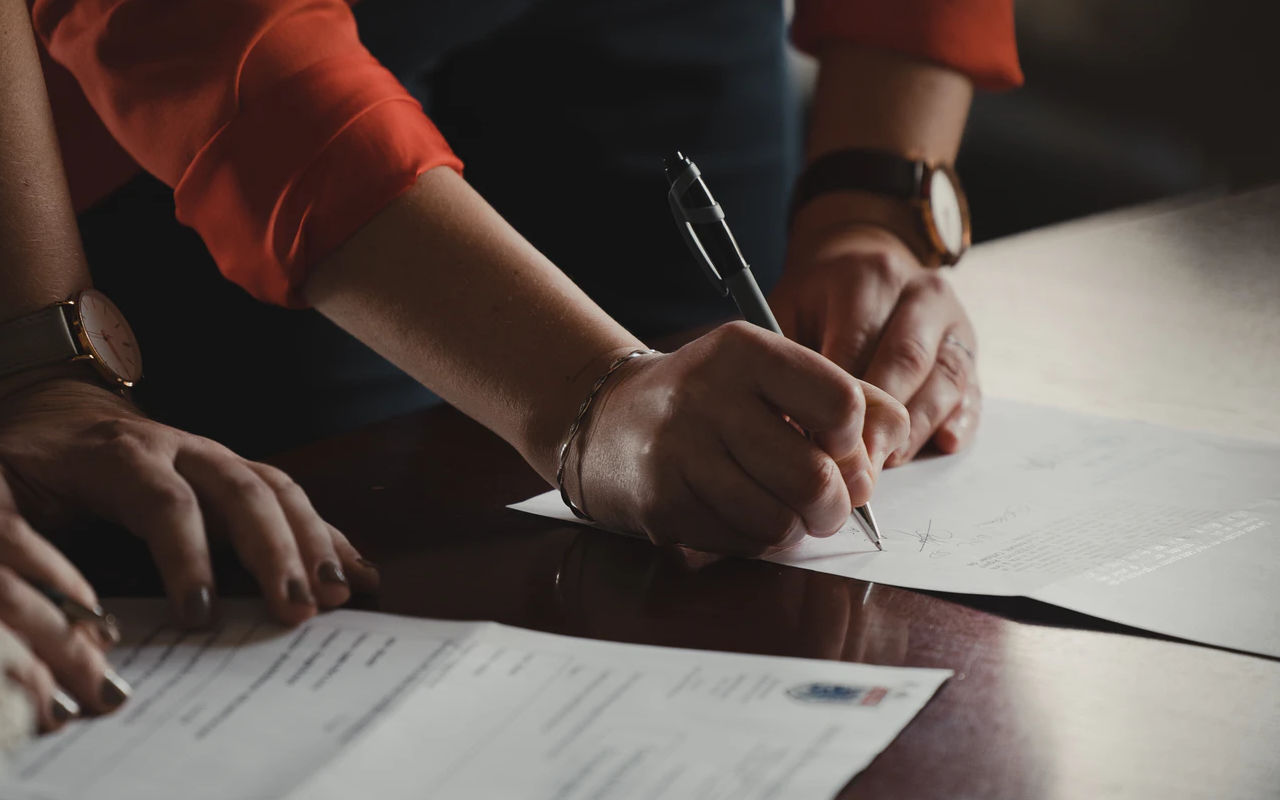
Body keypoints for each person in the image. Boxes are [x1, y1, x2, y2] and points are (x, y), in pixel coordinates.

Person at [0, 0, 1020, 720]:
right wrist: (584, 394)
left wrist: (869, 204)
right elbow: (209, 28)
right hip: (225, 79)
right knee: (363, 548)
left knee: (721, 500)